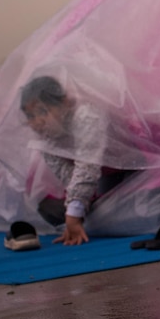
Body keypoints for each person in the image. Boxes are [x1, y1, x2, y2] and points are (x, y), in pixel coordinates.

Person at [19, 75, 129, 245]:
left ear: (64, 103)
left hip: (131, 165)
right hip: (106, 173)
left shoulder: (86, 115)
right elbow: (68, 175)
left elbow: (88, 165)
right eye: (30, 116)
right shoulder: (46, 135)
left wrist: (73, 215)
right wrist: (75, 209)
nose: (37, 121)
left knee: (131, 203)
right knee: (50, 208)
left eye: (43, 111)